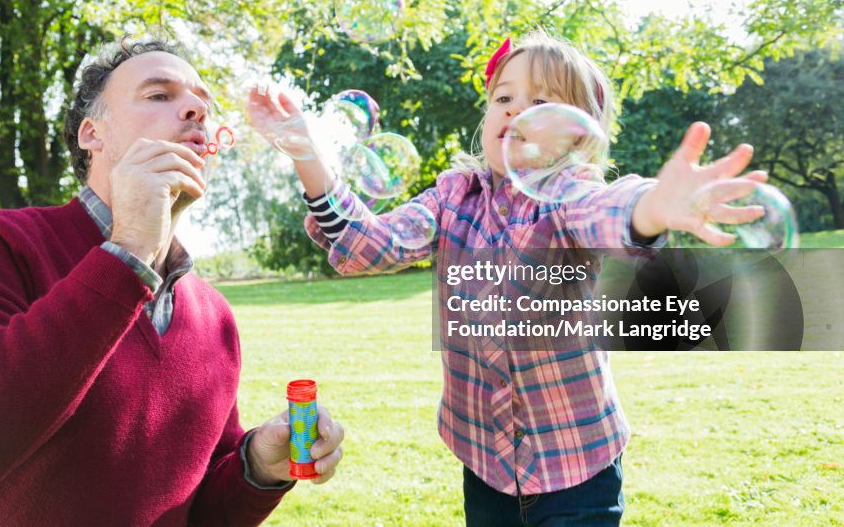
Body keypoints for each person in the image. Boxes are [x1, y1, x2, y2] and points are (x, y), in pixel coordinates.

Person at [247, 31, 764, 526]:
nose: (515, 110)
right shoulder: (453, 197)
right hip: (484, 463)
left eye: (541, 104)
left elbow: (609, 211)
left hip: (577, 467)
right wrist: (305, 154)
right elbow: (369, 246)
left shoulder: (568, 197)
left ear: (577, 138)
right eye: (504, 97)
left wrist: (653, 207)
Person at [0, 38, 345, 526]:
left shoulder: (214, 317)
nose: (197, 108)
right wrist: (127, 249)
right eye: (159, 95)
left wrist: (257, 464)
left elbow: (193, 514)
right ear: (93, 134)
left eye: (202, 101)